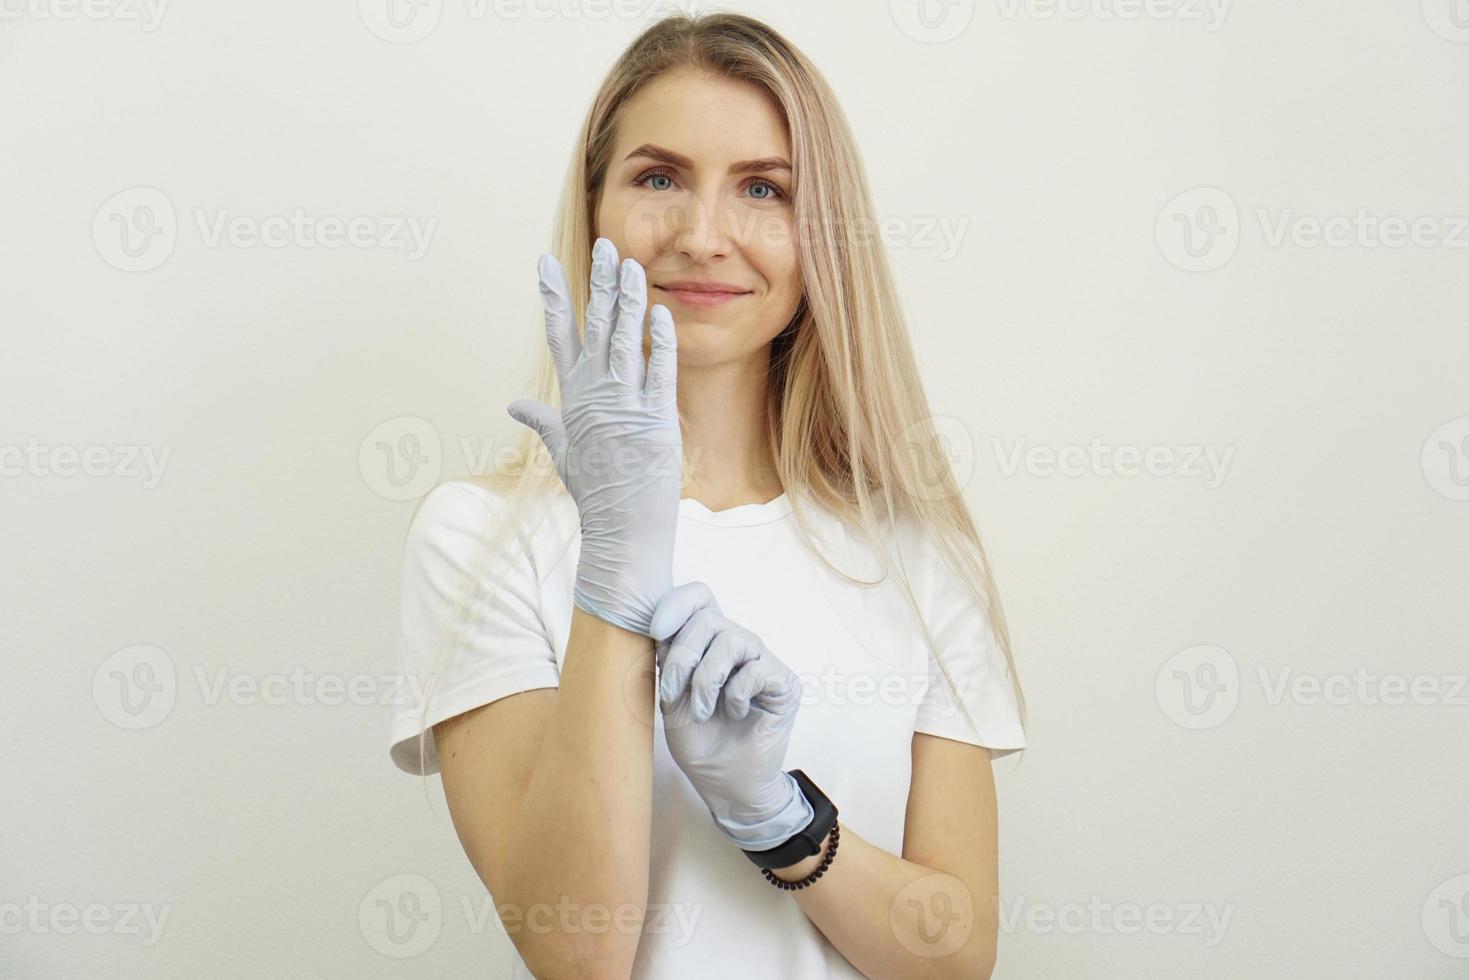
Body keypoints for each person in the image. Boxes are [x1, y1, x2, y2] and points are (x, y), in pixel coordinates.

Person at [386, 12, 1027, 979]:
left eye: (764, 189)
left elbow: (957, 953)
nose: (703, 236)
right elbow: (574, 955)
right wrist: (614, 568)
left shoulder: (918, 552)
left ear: (823, 238)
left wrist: (776, 817)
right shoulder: (480, 538)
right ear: (595, 205)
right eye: (658, 178)